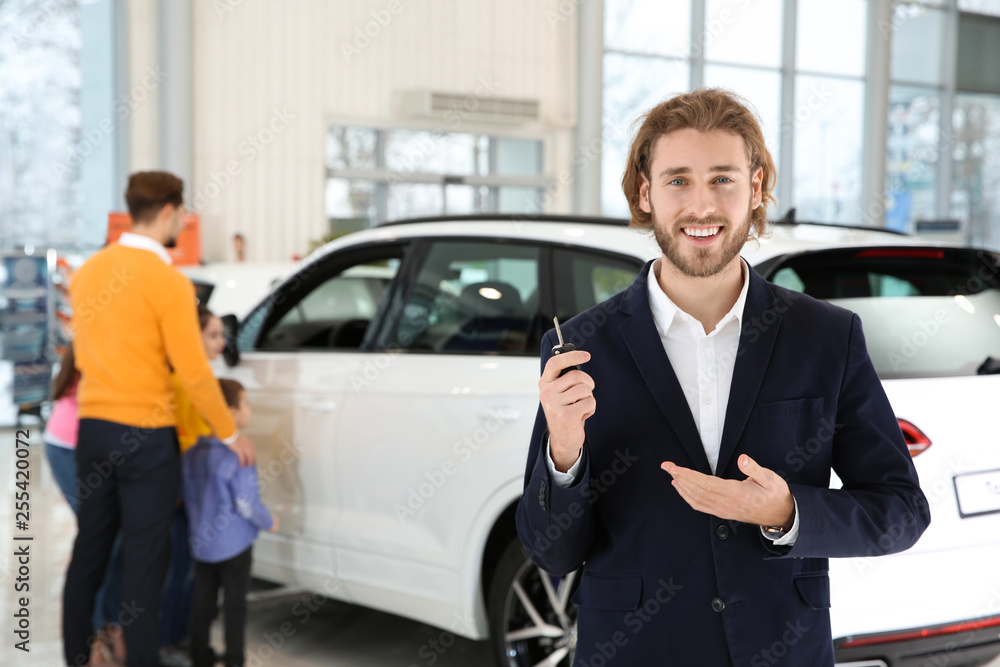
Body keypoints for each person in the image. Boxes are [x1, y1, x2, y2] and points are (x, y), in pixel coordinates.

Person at [515, 88, 930, 666]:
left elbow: (902, 511)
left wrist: (788, 514)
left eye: (723, 180)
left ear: (755, 189)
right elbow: (552, 553)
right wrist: (563, 452)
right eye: (678, 180)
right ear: (646, 193)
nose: (702, 205)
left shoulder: (825, 336)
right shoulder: (581, 347)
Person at [63, 170, 257, 667]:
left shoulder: (89, 273)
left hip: (93, 429)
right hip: (146, 437)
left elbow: (82, 355)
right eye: (183, 213)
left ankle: (76, 659)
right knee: (145, 565)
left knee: (90, 552)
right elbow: (193, 372)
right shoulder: (169, 282)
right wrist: (229, 432)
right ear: (170, 211)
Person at [183, 378, 277, 667]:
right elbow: (246, 502)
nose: (250, 410)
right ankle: (235, 659)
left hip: (201, 545)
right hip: (235, 544)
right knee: (235, 605)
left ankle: (200, 655)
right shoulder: (240, 455)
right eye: (245, 404)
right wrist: (268, 521)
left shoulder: (191, 455)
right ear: (231, 412)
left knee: (203, 602)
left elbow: (184, 496)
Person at [44, 343, 126, 664]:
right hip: (69, 446)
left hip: (88, 447)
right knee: (101, 540)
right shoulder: (99, 344)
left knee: (112, 539)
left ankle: (108, 626)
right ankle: (94, 636)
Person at [159, 306, 230, 667]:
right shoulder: (182, 381)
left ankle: (185, 640)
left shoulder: (200, 378)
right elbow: (176, 437)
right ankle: (167, 642)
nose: (221, 342)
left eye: (222, 335)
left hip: (197, 487)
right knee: (180, 568)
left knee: (192, 568)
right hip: (182, 487)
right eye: (213, 335)